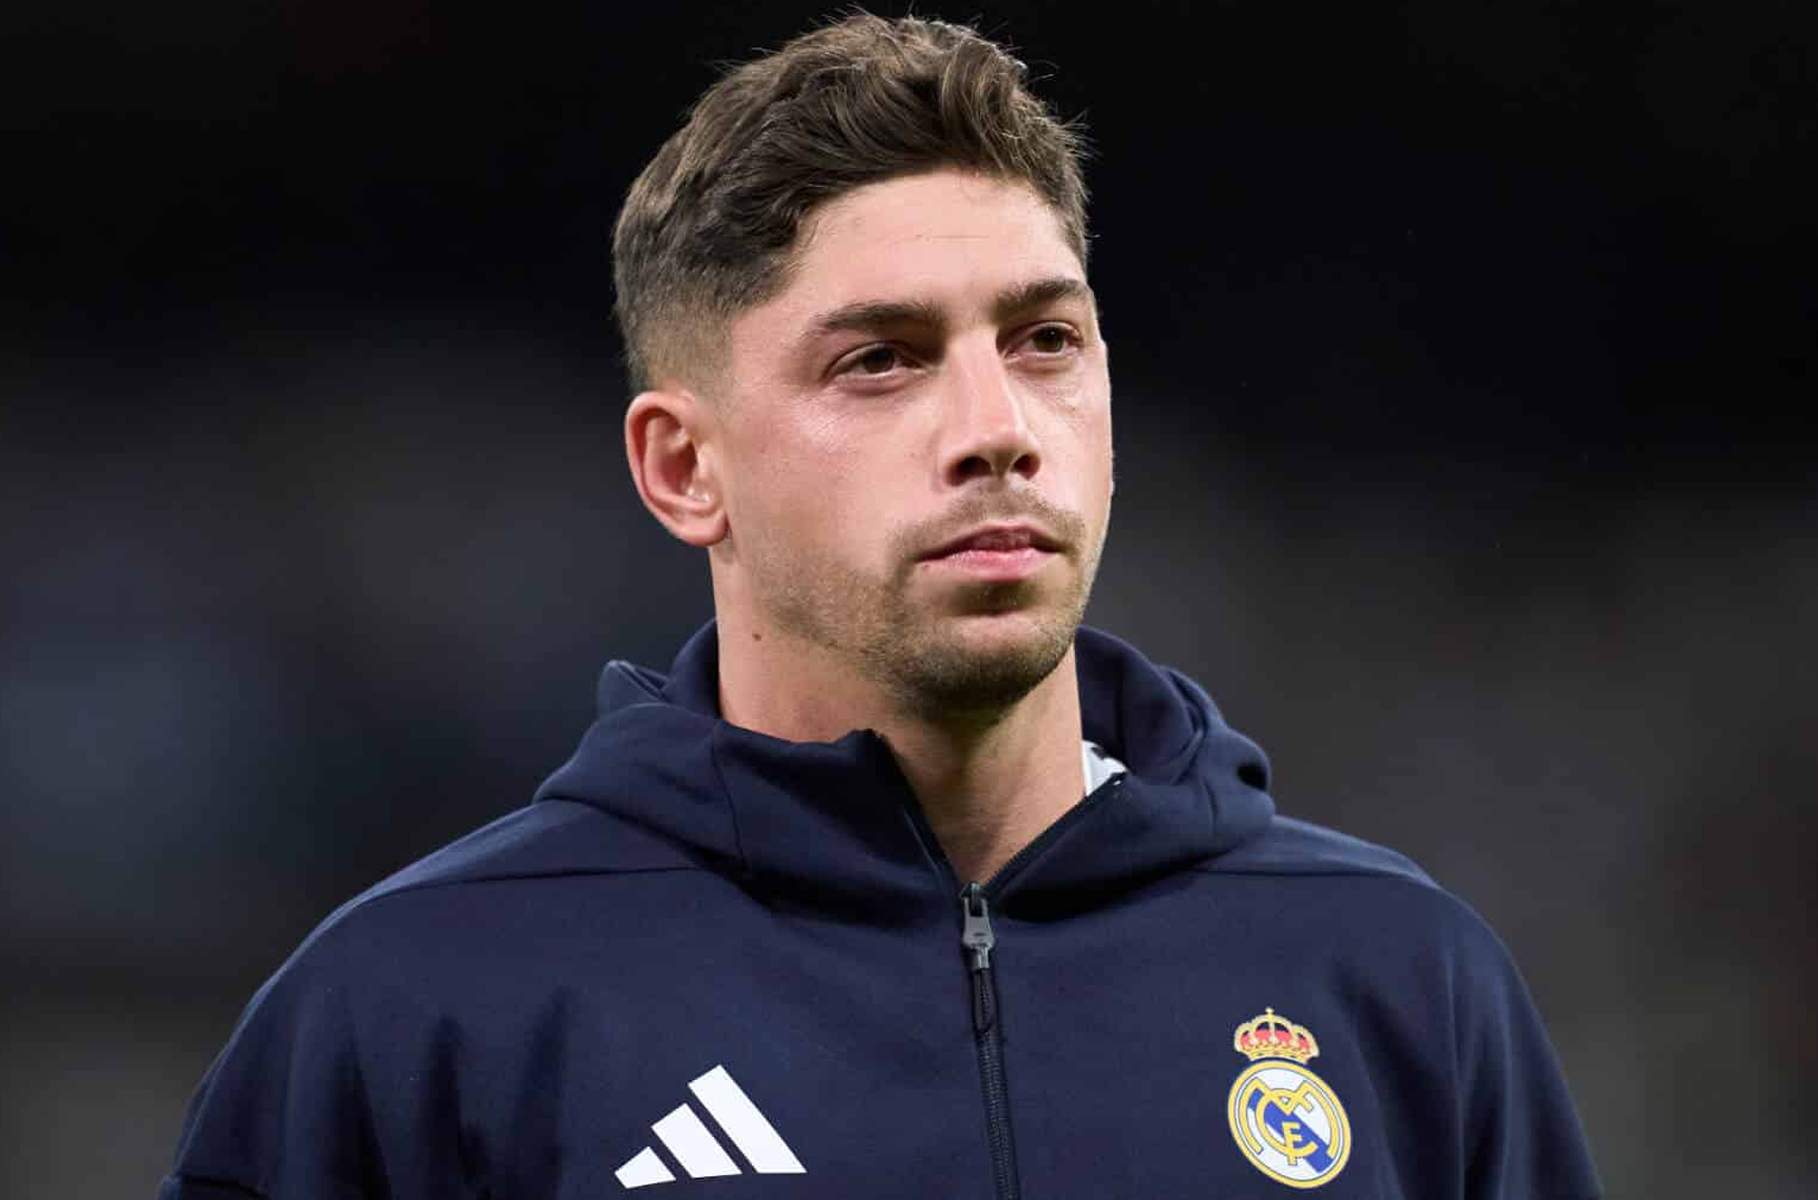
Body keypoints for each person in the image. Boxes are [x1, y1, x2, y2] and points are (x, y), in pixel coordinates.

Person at [161, 13, 1600, 1199]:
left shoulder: (1397, 979)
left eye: (1045, 340)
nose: (997, 429)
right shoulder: (419, 1013)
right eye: (881, 361)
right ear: (684, 468)